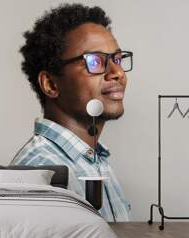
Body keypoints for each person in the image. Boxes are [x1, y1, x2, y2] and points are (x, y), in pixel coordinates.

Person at [10, 3, 133, 221]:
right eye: (95, 61)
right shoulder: (41, 173)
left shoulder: (94, 160)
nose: (117, 73)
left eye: (117, 59)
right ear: (50, 84)